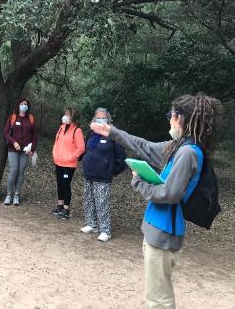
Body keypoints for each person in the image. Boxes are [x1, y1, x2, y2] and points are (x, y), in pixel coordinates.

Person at [91, 94, 221, 309]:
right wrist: (112, 132)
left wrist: (139, 183)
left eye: (171, 115)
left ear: (182, 118)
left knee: (158, 301)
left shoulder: (188, 152)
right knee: (156, 296)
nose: (169, 119)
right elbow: (145, 147)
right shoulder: (178, 147)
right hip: (157, 231)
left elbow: (170, 194)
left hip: (164, 233)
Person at [81, 108, 126, 241]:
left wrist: (112, 171)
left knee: (102, 203)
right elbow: (86, 149)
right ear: (94, 119)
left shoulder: (112, 135)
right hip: (89, 174)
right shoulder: (91, 133)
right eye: (98, 117)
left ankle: (106, 230)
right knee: (88, 201)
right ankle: (92, 224)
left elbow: (121, 157)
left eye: (103, 117)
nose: (100, 120)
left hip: (103, 176)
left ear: (108, 119)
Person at [51, 107, 85, 220]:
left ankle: (66, 209)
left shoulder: (77, 130)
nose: (65, 116)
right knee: (59, 183)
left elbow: (81, 148)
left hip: (69, 164)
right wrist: (54, 153)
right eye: (65, 113)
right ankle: (59, 206)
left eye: (68, 114)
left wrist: (71, 157)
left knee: (66, 185)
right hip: (58, 161)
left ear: (73, 117)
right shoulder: (61, 127)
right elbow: (56, 142)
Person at [3, 98, 38, 206]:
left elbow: (35, 136)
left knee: (21, 172)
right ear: (18, 106)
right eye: (22, 104)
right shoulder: (12, 117)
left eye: (26, 104)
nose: (24, 106)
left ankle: (17, 195)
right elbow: (5, 133)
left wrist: (31, 150)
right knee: (13, 170)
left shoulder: (31, 118)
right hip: (13, 150)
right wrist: (13, 142)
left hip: (26, 151)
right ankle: (9, 195)